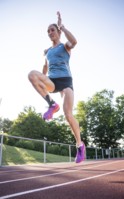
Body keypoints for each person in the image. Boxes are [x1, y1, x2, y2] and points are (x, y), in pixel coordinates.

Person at [28, 12, 85, 163]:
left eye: (52, 30)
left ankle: (79, 145)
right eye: (48, 31)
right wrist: (41, 81)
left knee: (68, 115)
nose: (50, 32)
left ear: (58, 32)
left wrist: (63, 27)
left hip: (66, 82)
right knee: (32, 75)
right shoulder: (47, 52)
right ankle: (52, 104)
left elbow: (74, 41)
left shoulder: (65, 46)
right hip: (52, 81)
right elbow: (45, 69)